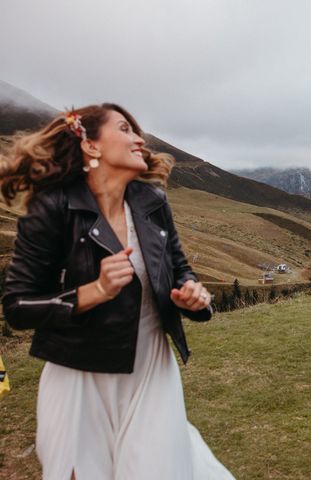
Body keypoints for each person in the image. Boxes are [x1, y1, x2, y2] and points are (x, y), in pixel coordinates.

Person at [0, 104, 235, 479]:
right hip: (78, 378)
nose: (139, 139)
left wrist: (193, 295)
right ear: (91, 146)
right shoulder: (52, 208)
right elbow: (17, 305)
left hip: (151, 373)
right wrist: (94, 290)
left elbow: (179, 270)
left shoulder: (151, 202)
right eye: (125, 128)